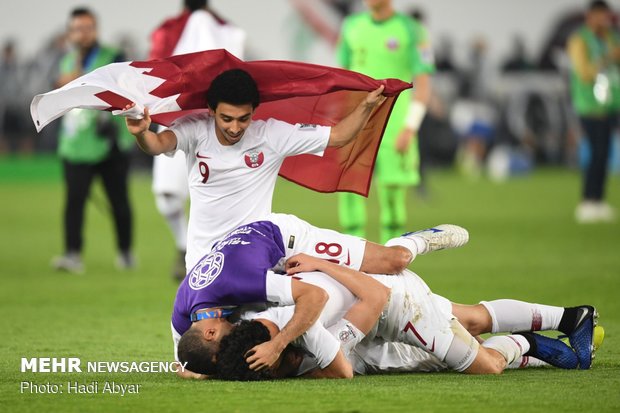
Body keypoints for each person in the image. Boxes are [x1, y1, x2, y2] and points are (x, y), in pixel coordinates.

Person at [124, 68, 387, 273]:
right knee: (202, 341)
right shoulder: (194, 129)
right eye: (226, 118)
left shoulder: (271, 134)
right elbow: (158, 145)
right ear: (211, 110)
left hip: (254, 257)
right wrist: (141, 133)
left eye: (244, 118)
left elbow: (339, 136)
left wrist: (366, 105)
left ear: (254, 112)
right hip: (203, 261)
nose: (235, 128)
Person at [171, 214, 469, 377]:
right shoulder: (183, 318)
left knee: (394, 262)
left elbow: (313, 297)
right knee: (455, 317)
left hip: (285, 239)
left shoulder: (242, 284)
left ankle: (415, 242)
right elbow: (184, 363)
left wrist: (278, 345)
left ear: (210, 332)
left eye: (220, 355)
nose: (227, 357)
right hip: (253, 260)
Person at [215, 255, 597, 379]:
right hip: (387, 305)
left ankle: (526, 344)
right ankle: (573, 317)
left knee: (487, 366)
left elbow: (374, 299)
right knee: (474, 320)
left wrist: (323, 263)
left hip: (400, 309)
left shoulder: (307, 327)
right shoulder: (267, 317)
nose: (283, 368)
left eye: (277, 365)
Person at [149, 0, 246, 280]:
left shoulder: (225, 30)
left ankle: (222, 254)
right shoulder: (168, 32)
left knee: (220, 193)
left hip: (216, 124)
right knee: (166, 195)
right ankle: (183, 245)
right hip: (178, 120)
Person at [336, 0, 434, 243]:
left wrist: (410, 125)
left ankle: (392, 264)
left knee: (392, 201)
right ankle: (353, 260)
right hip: (357, 124)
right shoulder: (350, 26)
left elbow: (423, 83)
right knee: (349, 193)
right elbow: (342, 77)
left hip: (395, 125)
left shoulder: (412, 30)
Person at [51, 8, 135, 274]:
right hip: (75, 144)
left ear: (96, 29)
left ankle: (125, 252)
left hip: (108, 142)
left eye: (87, 27)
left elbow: (128, 87)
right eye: (77, 28)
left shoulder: (113, 57)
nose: (83, 33)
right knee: (74, 201)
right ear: (70, 32)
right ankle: (72, 254)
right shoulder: (64, 61)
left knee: (119, 202)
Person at [567, 0, 620, 223]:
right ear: (590, 16)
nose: (603, 20)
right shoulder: (580, 40)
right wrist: (609, 58)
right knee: (596, 153)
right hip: (589, 105)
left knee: (605, 153)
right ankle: (587, 200)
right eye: (599, 15)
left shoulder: (610, 37)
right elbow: (584, 72)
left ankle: (598, 200)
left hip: (609, 103)